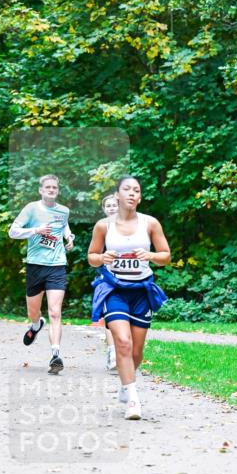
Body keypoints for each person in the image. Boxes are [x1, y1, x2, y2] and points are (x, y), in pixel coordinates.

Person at [87, 176, 170, 420]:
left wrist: (150, 255)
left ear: (140, 197)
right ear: (117, 195)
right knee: (122, 342)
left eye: (136, 190)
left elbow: (166, 255)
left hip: (141, 291)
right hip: (114, 290)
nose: (132, 193)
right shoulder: (103, 226)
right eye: (127, 189)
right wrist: (102, 258)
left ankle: (126, 383)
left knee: (136, 351)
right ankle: (133, 400)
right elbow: (91, 256)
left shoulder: (150, 223)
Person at [8, 175, 75, 374]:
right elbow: (13, 232)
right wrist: (36, 230)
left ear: (58, 190)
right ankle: (36, 325)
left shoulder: (64, 211)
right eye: (48, 187)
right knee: (33, 312)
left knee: (55, 312)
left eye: (55, 187)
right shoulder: (31, 209)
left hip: (57, 265)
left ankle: (55, 355)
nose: (51, 190)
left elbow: (64, 226)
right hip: (35, 266)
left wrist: (69, 237)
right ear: (41, 190)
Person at [98, 193, 119, 370]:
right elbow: (94, 254)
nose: (111, 208)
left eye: (114, 205)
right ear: (104, 209)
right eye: (108, 206)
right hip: (109, 277)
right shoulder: (101, 228)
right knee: (110, 317)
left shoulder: (132, 226)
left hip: (131, 277)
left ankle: (124, 352)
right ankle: (112, 354)